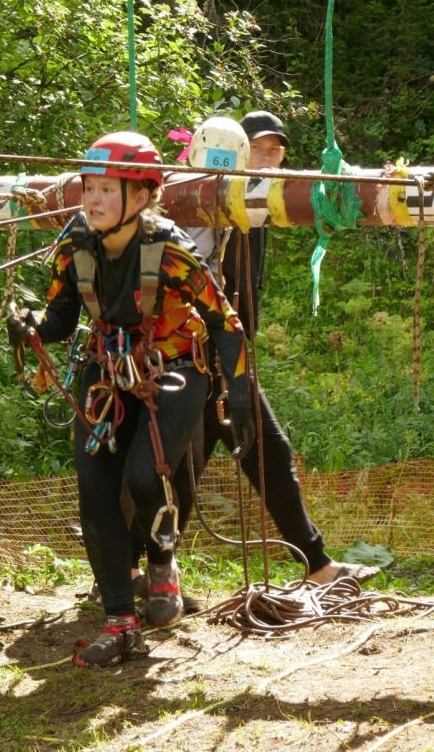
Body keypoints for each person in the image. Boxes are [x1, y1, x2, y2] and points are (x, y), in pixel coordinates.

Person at [7, 131, 253, 667]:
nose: (92, 200)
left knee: (145, 477)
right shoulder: (74, 245)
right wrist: (31, 326)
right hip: (106, 369)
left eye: (106, 189)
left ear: (141, 196)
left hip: (175, 369)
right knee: (95, 490)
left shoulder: (172, 250)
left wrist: (239, 394)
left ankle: (162, 561)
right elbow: (61, 317)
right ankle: (120, 621)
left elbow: (224, 320)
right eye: (88, 187)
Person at [127, 111, 379, 594]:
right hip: (182, 357)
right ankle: (130, 571)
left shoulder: (257, 207)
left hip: (224, 357)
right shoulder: (177, 200)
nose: (267, 158)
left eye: (274, 151)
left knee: (254, 457)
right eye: (258, 149)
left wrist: (239, 360)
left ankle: (315, 563)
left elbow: (244, 291)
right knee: (180, 471)